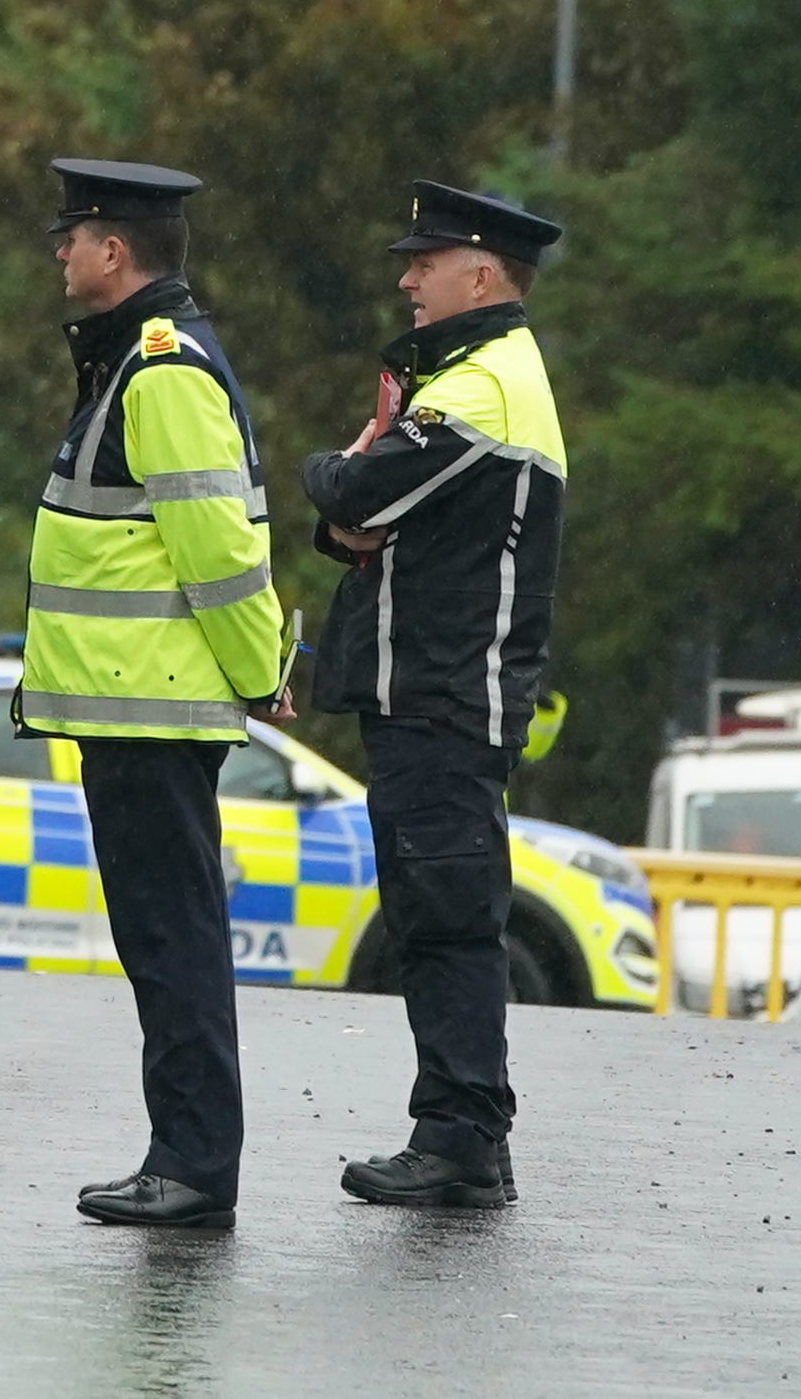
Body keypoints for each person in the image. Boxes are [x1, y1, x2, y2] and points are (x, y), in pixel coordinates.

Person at [18, 156, 288, 1232]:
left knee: (173, 942)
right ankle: (180, 1154)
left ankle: (190, 1162)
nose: (59, 253)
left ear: (113, 252)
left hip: (154, 711)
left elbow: (218, 551)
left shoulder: (162, 372)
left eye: (71, 237)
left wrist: (260, 670)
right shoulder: (130, 362)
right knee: (163, 939)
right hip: (130, 709)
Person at [299, 177, 571, 1213]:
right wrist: (348, 510)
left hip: (442, 696)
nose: (407, 277)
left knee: (448, 919)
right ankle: (461, 1130)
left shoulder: (479, 387)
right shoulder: (477, 376)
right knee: (434, 912)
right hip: (432, 693)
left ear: (482, 272)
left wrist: (337, 471)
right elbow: (356, 532)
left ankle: (458, 1134)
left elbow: (355, 494)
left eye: (424, 260)